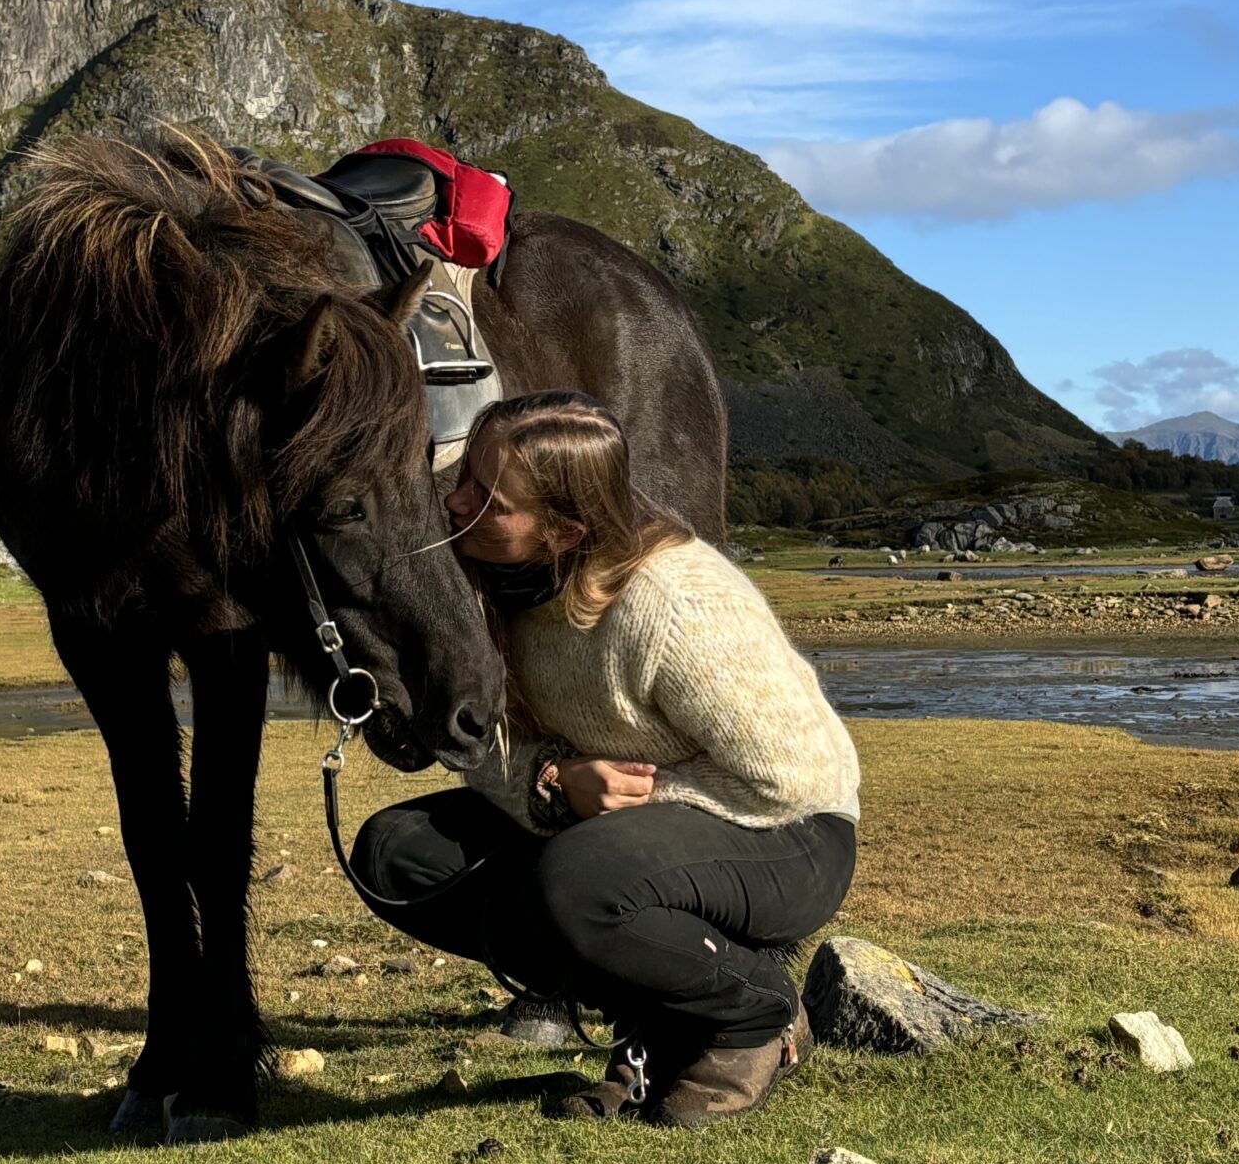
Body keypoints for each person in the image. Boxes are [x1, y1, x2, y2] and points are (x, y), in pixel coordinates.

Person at [348, 390, 859, 1125]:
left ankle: (754, 1008)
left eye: (489, 500)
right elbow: (483, 744)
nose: (454, 504)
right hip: (611, 838)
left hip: (791, 837)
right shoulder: (489, 579)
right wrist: (553, 782)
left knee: (580, 877)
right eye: (464, 478)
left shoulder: (676, 604)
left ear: (564, 530)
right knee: (397, 854)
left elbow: (792, 778)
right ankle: (665, 1011)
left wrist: (625, 797)